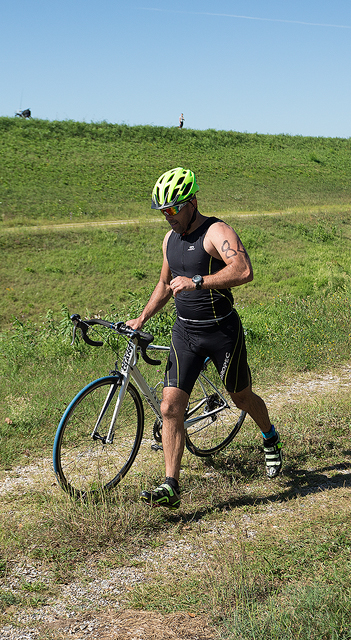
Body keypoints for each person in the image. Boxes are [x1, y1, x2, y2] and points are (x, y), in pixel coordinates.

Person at [126, 167, 283, 508]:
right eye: (163, 211)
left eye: (173, 209)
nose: (168, 217)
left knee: (241, 397)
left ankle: (269, 437)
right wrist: (142, 317)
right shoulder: (170, 240)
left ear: (192, 202)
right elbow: (165, 283)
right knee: (170, 407)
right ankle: (171, 485)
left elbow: (243, 271)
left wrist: (198, 281)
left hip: (222, 332)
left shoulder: (216, 231)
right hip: (185, 332)